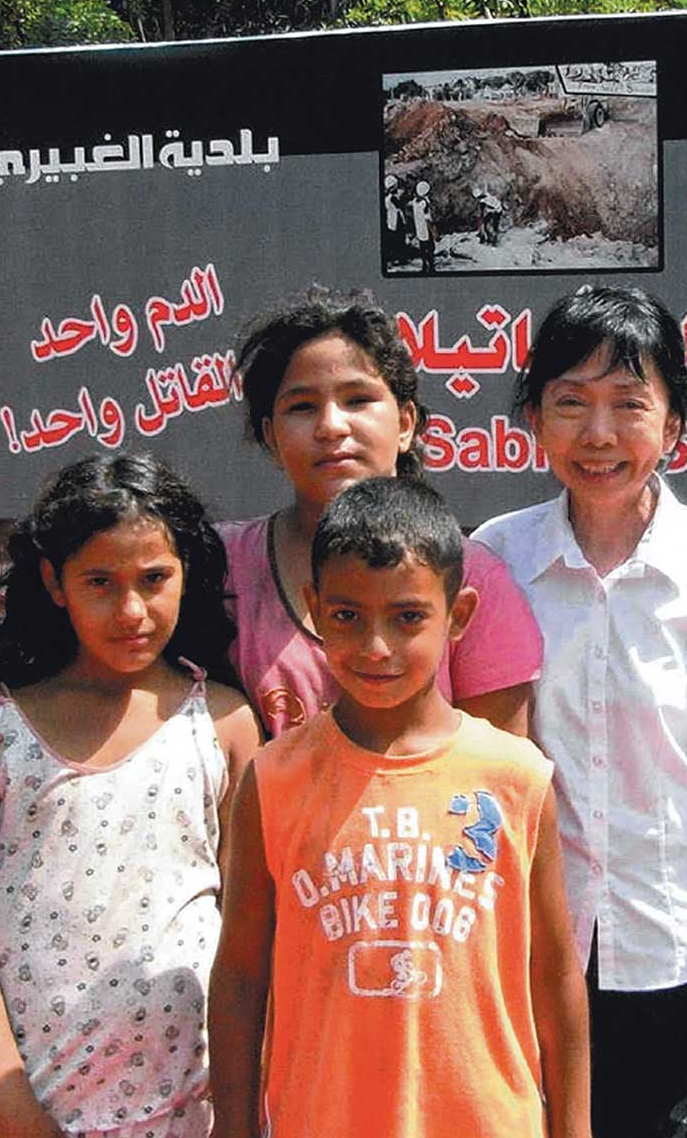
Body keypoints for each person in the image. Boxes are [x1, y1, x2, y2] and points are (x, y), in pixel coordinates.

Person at [0, 289, 542, 768]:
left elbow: (496, 780)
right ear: (269, 436)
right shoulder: (217, 565)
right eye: (301, 407)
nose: (331, 426)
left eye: (358, 399)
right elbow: (95, 654)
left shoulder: (471, 574)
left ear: (405, 422)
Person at [471, 286, 687, 1138]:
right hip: (534, 946)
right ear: (533, 421)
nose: (599, 435)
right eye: (569, 404)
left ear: (675, 426)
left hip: (675, 950)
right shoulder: (493, 559)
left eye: (629, 405)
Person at [208, 477, 591, 1138]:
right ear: (314, 607)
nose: (376, 646)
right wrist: (232, 1127)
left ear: (459, 615)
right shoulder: (274, 778)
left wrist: (576, 1127)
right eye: (347, 616)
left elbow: (555, 976)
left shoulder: (515, 777)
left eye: (408, 616)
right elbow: (241, 975)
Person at [0, 454, 261, 1138]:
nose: (131, 609)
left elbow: (250, 934)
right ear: (54, 580)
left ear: (186, 572)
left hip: (188, 1107)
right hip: (26, 1102)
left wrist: (238, 1110)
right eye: (100, 581)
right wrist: (8, 1108)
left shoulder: (223, 724)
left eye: (154, 578)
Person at [411, 180, 437, 274]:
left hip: (419, 228)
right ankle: (431, 267)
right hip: (426, 229)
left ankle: (424, 266)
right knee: (430, 248)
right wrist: (434, 230)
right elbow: (428, 218)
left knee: (422, 248)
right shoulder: (425, 203)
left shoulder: (415, 201)